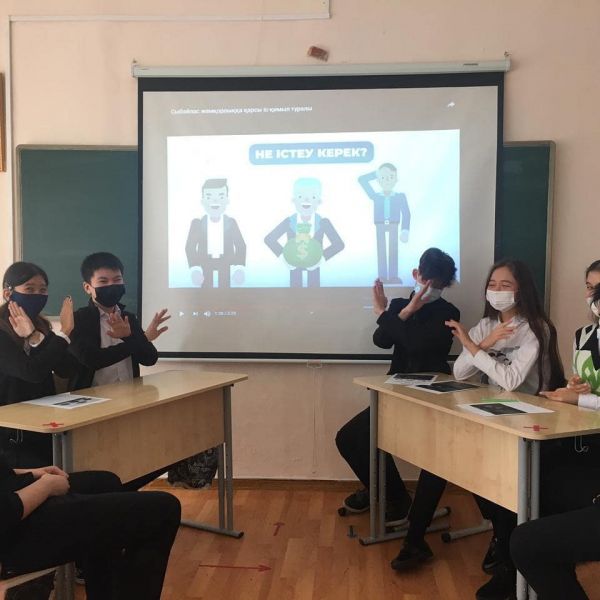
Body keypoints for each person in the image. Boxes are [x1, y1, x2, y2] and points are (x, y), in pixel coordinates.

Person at [391, 259, 565, 600]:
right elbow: (460, 373)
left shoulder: (536, 328)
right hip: (491, 414)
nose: (497, 291)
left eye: (506, 285)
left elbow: (511, 380)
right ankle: (424, 539)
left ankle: (508, 563)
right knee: (443, 460)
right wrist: (482, 343)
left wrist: (473, 346)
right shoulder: (486, 324)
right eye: (493, 285)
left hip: (528, 420)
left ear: (522, 289)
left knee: (499, 486)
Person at [335, 248, 458, 522]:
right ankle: (389, 494)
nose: (429, 290)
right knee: (348, 438)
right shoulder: (400, 305)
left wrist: (384, 314)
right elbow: (381, 340)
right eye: (426, 282)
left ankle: (392, 498)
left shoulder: (449, 312)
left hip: (428, 396)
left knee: (371, 437)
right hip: (394, 390)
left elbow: (415, 345)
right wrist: (404, 311)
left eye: (438, 286)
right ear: (416, 275)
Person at [509, 261, 600, 599]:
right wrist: (576, 390)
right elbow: (585, 388)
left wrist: (582, 400)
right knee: (537, 488)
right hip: (586, 441)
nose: (593, 295)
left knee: (531, 539)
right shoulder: (584, 335)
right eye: (589, 287)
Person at [0, 455, 180, 600]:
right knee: (164, 511)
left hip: (9, 499)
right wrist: (46, 486)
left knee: (106, 483)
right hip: (9, 531)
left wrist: (29, 473)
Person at [68, 252, 173, 490]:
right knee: (96, 462)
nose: (111, 286)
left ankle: (124, 499)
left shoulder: (128, 317)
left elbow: (150, 358)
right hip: (90, 404)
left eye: (117, 280)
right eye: (103, 281)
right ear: (88, 287)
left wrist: (134, 337)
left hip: (128, 401)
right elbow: (92, 359)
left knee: (128, 459)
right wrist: (134, 341)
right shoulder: (78, 320)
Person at [0, 262, 78, 468]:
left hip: (42, 420)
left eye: (43, 290)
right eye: (29, 289)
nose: (37, 295)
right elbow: (31, 372)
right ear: (8, 293)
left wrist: (35, 336)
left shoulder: (41, 325)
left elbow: (66, 368)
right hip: (10, 432)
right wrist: (65, 333)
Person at [264, 177, 344, 288]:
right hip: (294, 267)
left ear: (319, 201)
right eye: (300, 196)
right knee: (294, 291)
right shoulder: (289, 221)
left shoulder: (323, 222)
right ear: (294, 200)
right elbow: (269, 239)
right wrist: (284, 257)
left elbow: (339, 244)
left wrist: (320, 259)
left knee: (315, 291)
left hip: (314, 267)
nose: (306, 200)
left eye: (313, 197)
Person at [185, 178, 246, 288]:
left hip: (226, 263)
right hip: (204, 263)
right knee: (205, 291)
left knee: (226, 291)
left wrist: (239, 268)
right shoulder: (197, 224)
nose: (215, 201)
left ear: (227, 200)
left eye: (221, 197)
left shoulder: (231, 223)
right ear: (202, 201)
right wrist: (195, 269)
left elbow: (241, 245)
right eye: (209, 197)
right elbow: (190, 247)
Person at [358, 164, 411, 284]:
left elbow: (406, 213)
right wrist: (376, 173)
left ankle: (393, 276)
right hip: (380, 225)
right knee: (381, 250)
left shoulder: (400, 196)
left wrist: (405, 230)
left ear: (396, 179)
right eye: (383, 177)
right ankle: (382, 276)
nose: (387, 180)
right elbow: (362, 180)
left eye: (391, 177)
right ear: (378, 180)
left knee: (393, 251)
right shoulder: (375, 196)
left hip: (394, 225)